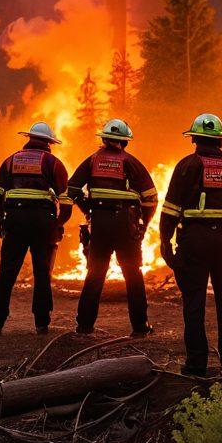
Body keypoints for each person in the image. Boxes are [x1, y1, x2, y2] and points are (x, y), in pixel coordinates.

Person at [159, 113, 222, 377]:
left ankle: (196, 365)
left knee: (194, 303)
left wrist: (164, 240)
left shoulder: (187, 166)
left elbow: (170, 208)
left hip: (194, 243)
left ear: (194, 138)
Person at [68, 119, 158, 336]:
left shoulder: (92, 161)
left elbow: (71, 188)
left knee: (95, 274)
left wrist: (88, 208)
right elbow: (151, 197)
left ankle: (84, 326)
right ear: (125, 142)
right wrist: (143, 223)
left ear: (104, 139)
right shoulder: (131, 162)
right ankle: (140, 327)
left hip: (100, 225)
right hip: (125, 226)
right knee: (133, 276)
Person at [0, 121, 71, 335]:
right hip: (42, 222)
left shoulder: (11, 160)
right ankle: (41, 322)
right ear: (48, 143)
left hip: (14, 220)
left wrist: (1, 222)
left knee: (6, 272)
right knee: (42, 272)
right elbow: (66, 199)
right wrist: (58, 224)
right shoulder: (53, 163)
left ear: (29, 140)